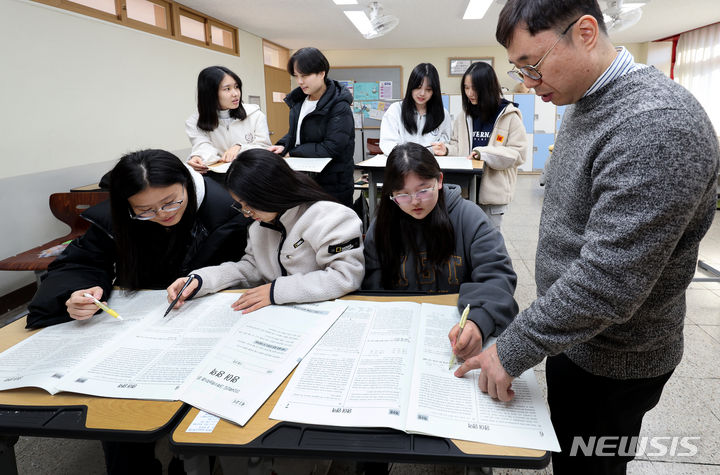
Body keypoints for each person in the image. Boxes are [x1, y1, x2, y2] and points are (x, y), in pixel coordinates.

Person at [454, 1, 720, 474]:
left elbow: (609, 280)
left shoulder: (654, 124)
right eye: (519, 71)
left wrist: (513, 347)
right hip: (574, 338)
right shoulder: (586, 99)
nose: (529, 84)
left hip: (616, 359)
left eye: (532, 65)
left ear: (585, 32)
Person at [26, 149, 251, 475]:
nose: (162, 214)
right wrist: (75, 293)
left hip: (208, 319)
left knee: (198, 407)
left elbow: (249, 267)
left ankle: (187, 460)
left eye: (172, 202)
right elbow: (81, 262)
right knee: (115, 404)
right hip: (139, 322)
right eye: (145, 210)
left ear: (187, 183)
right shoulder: (117, 217)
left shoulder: (226, 211)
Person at [363, 142, 518, 358]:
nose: (415, 202)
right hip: (398, 334)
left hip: (456, 330)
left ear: (440, 181)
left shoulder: (469, 218)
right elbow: (372, 286)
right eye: (402, 195)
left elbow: (498, 277)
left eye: (423, 190)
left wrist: (479, 322)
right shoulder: (383, 226)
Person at [167, 149, 364, 313]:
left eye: (249, 205)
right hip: (282, 314)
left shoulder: (330, 217)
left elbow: (344, 276)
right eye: (241, 205)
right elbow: (251, 268)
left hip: (329, 312)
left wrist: (275, 291)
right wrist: (201, 280)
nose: (246, 213)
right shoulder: (260, 224)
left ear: (271, 192)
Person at [268, 47, 355, 206]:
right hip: (302, 177)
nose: (300, 81)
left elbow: (332, 147)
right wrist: (283, 146)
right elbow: (297, 133)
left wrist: (293, 152)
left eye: (305, 75)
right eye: (296, 76)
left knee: (333, 227)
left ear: (322, 73)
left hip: (332, 182)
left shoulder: (339, 105)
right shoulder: (299, 101)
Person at [447, 61, 528, 228]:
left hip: (492, 195)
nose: (470, 93)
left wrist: (482, 153)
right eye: (466, 87)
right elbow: (458, 146)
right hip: (464, 193)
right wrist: (446, 149)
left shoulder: (509, 116)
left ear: (488, 87)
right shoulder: (463, 116)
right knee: (463, 242)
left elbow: (518, 154)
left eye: (475, 88)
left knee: (488, 244)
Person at [186, 65, 271, 174]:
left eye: (236, 87)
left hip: (252, 175)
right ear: (210, 93)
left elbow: (265, 147)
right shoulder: (194, 122)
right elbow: (203, 147)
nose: (236, 93)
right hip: (218, 177)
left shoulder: (255, 114)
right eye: (227, 89)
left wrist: (240, 147)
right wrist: (198, 157)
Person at [379, 63, 452, 157]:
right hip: (402, 164)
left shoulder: (443, 114)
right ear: (411, 87)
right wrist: (408, 155)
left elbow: (445, 142)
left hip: (430, 165)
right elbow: (387, 143)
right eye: (418, 87)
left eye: (428, 89)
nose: (422, 93)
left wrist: (440, 149)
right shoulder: (396, 110)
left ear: (434, 92)